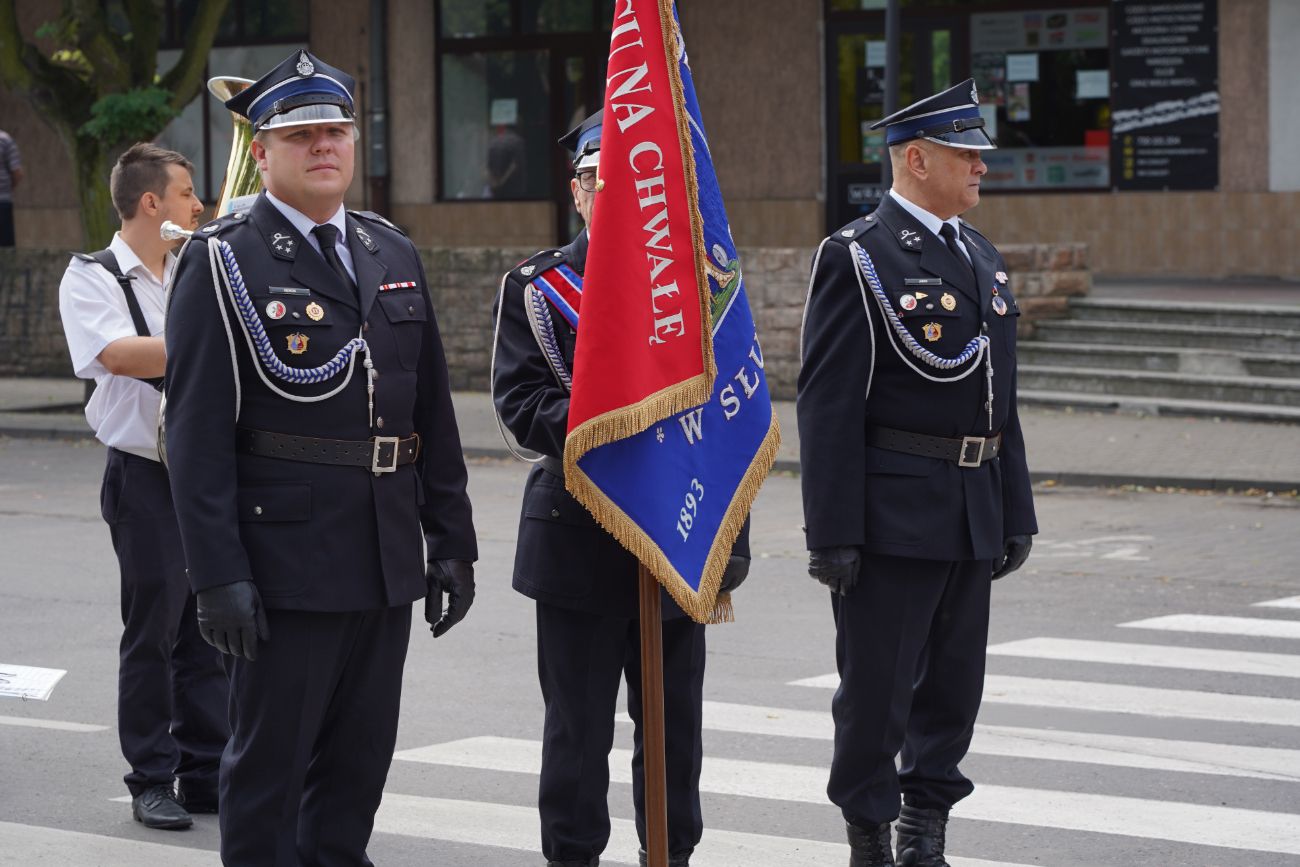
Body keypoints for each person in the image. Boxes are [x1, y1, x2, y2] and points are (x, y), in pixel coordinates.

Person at [163, 50, 478, 866]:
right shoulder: (224, 257)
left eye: (335, 130)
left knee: (356, 766)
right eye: (300, 134)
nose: (323, 146)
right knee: (268, 772)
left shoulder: (389, 250)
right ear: (263, 152)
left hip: (382, 555)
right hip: (283, 566)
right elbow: (195, 438)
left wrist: (451, 539)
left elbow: (430, 412)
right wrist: (216, 576)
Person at [491, 110, 751, 867]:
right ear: (577, 192)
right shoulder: (541, 289)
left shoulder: (698, 290)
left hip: (678, 530)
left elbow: (730, 413)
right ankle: (573, 856)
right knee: (577, 728)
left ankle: (670, 853)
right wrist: (616, 423)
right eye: (601, 183)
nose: (621, 197)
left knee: (675, 727)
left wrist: (730, 533)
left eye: (639, 184)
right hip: (579, 537)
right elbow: (520, 404)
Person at [796, 79, 1036, 867]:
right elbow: (828, 405)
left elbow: (1000, 394)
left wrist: (1016, 507)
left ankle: (925, 825)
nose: (981, 169)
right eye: (968, 154)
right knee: (876, 692)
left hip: (972, 504)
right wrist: (832, 532)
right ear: (917, 157)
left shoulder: (980, 256)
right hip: (893, 515)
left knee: (953, 688)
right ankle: (868, 830)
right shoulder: (858, 256)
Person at [57, 142, 227, 830]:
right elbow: (118, 355)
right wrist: (212, 341)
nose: (199, 205)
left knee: (210, 628)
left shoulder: (193, 265)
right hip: (144, 475)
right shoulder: (91, 275)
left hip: (204, 470)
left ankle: (206, 769)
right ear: (151, 202)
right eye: (187, 192)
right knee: (153, 632)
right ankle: (151, 776)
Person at [0, 127, 23, 246]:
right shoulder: (5, 139)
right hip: (3, 201)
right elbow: (17, 173)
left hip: (3, 201)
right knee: (5, 249)